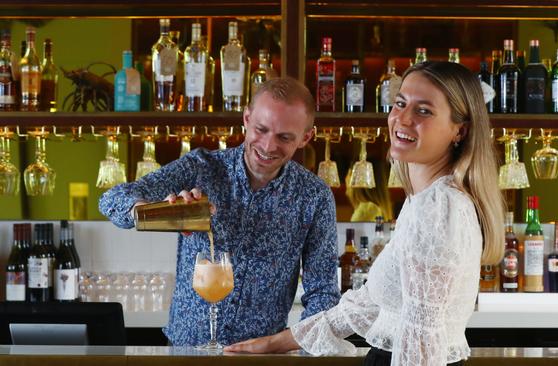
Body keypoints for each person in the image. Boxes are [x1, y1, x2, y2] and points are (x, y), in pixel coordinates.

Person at [224, 61, 505, 366]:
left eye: (423, 111)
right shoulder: (424, 200)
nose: (403, 119)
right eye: (400, 103)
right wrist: (280, 341)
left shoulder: (438, 207)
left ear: (459, 130)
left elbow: (422, 336)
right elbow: (369, 303)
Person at [99, 77, 340, 346]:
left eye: (284, 137)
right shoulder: (201, 168)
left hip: (261, 358)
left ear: (305, 137)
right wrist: (156, 211)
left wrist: (291, 349)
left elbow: (323, 295)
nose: (268, 146)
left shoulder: (314, 196)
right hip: (186, 353)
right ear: (246, 119)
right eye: (261, 129)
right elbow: (112, 199)